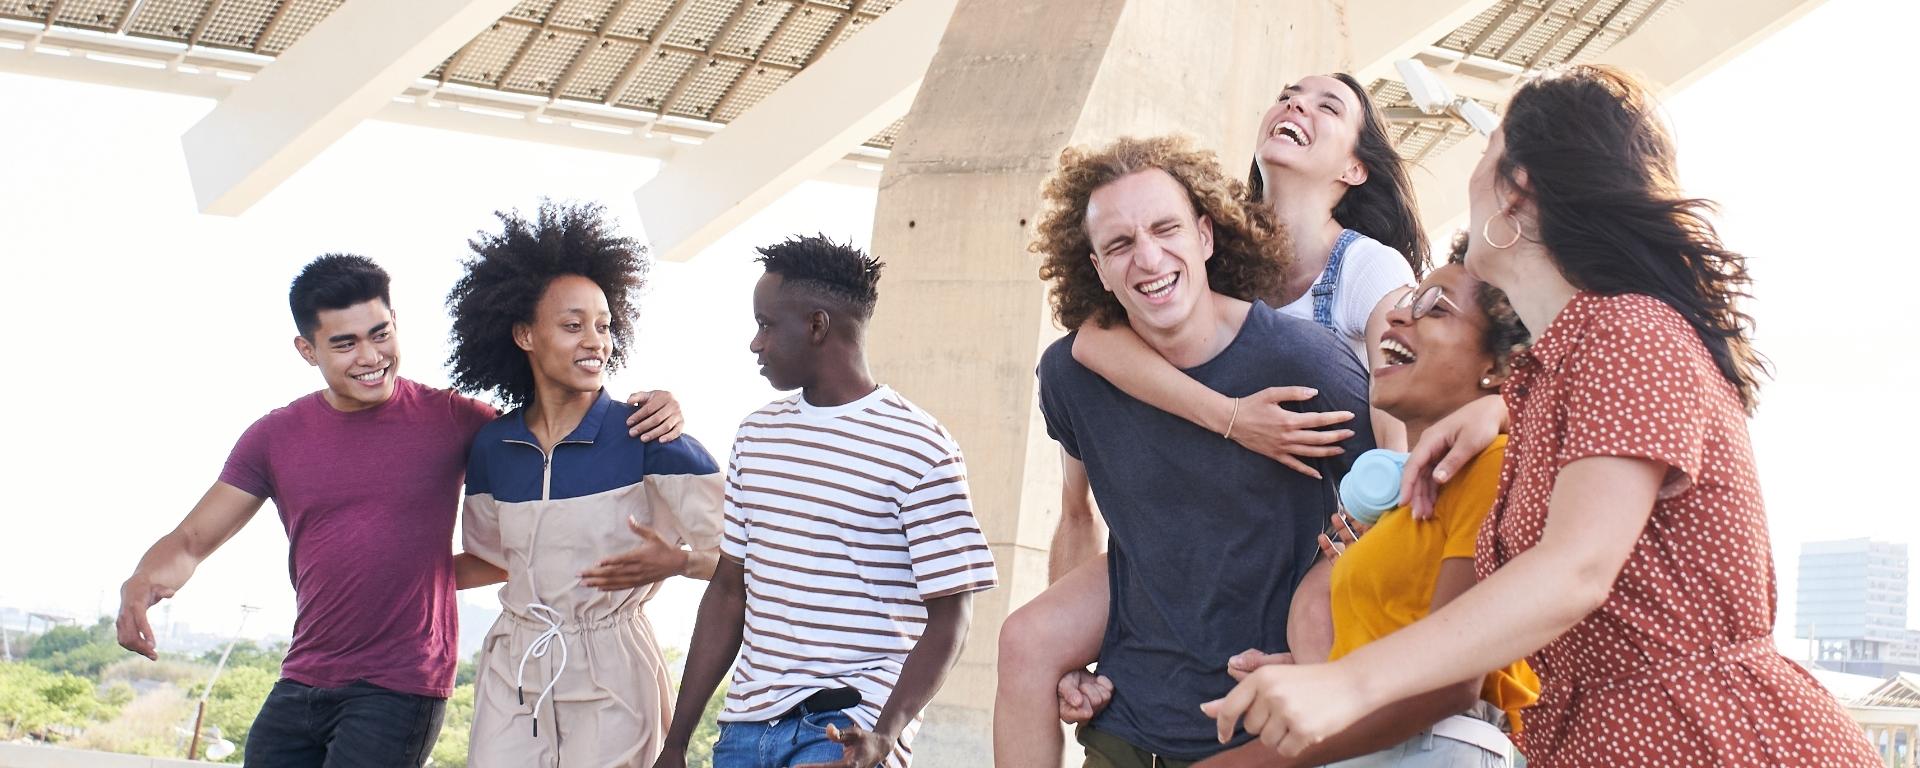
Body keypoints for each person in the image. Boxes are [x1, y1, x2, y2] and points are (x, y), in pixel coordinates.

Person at [1205, 64, 1879, 767]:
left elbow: (1577, 568)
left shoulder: (1629, 330)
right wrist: (1500, 410)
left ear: (1515, 192)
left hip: (1708, 740)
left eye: (1487, 149)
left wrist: (1347, 684)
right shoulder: (1549, 377)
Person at [994, 74, 1429, 767]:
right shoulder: (1087, 364)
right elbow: (1078, 491)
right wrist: (1232, 418)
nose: (1148, 257)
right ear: (1098, 269)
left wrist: (1337, 653)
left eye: (1166, 230)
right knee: (1025, 639)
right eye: (1120, 245)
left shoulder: (1344, 307)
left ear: (1204, 236)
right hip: (1146, 665)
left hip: (1284, 654)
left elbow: (1406, 451)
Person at [113, 253, 683, 767]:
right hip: (303, 675)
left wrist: (661, 405)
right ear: (306, 349)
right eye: (344, 344)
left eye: (380, 333)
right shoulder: (274, 437)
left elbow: (560, 434)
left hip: (399, 686)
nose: (370, 357)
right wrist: (141, 582)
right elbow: (191, 540)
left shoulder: (459, 421)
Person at [652, 235, 998, 768]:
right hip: (745, 731)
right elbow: (727, 592)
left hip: (847, 732)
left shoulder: (922, 448)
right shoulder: (756, 435)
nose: (755, 343)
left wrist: (886, 734)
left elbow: (952, 617)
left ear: (817, 325)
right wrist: (675, 742)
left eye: (766, 324)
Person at [1209, 240, 1537, 768]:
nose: (1400, 315)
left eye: (1436, 308)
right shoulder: (1407, 507)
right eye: (1407, 300)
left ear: (1497, 369)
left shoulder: (1490, 464)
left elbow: (1450, 680)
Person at [446, 202, 725, 767]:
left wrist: (679, 563)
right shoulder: (493, 448)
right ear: (525, 334)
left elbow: (753, 559)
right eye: (572, 326)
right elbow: (496, 559)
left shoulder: (652, 437)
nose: (595, 341)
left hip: (614, 666)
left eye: (603, 325)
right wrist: (380, 579)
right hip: (515, 664)